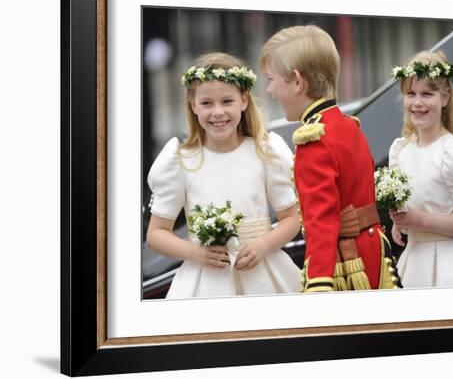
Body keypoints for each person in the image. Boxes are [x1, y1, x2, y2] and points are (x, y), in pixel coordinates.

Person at [146, 52, 301, 298]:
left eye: (227, 101)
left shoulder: (266, 152)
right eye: (207, 103)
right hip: (205, 282)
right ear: (193, 105)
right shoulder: (181, 160)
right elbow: (156, 234)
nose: (218, 112)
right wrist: (196, 252)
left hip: (263, 273)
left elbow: (291, 219)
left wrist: (263, 245)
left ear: (243, 100)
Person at [260, 24, 401, 293]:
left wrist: (319, 282)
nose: (269, 90)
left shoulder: (314, 139)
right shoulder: (348, 124)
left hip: (345, 265)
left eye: (271, 79)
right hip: (371, 251)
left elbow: (321, 222)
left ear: (297, 81)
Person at [388, 50, 453, 288]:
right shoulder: (402, 151)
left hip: (452, 264)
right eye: (411, 94)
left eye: (427, 94)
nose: (417, 102)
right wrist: (399, 221)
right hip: (415, 260)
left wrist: (419, 220)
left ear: (445, 98)